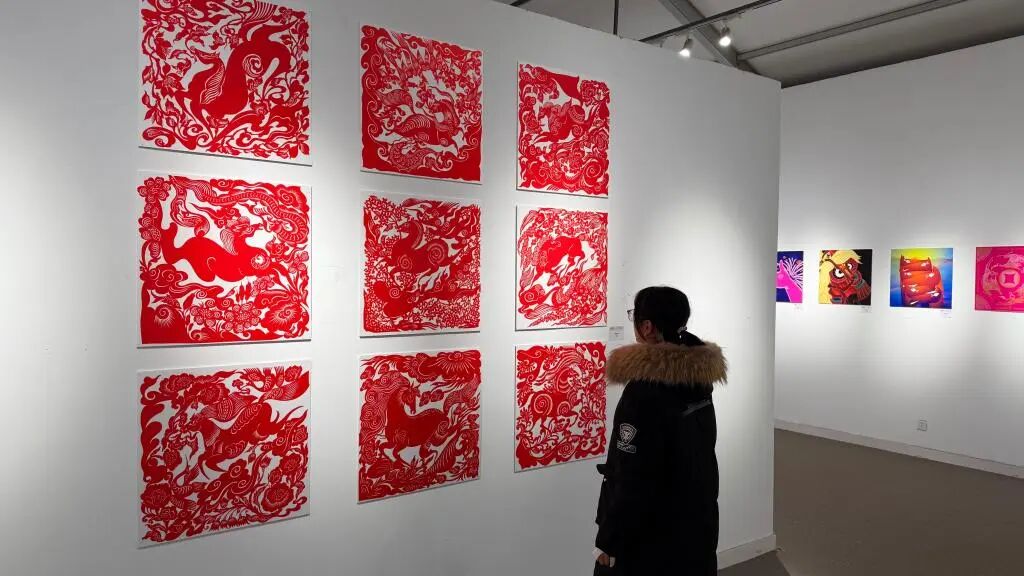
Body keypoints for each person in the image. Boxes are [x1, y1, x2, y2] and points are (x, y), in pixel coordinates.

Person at [593, 286, 727, 575]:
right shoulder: (698, 382)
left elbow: (631, 476)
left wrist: (609, 541)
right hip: (696, 526)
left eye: (633, 316)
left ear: (647, 327)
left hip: (651, 540)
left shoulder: (644, 392)